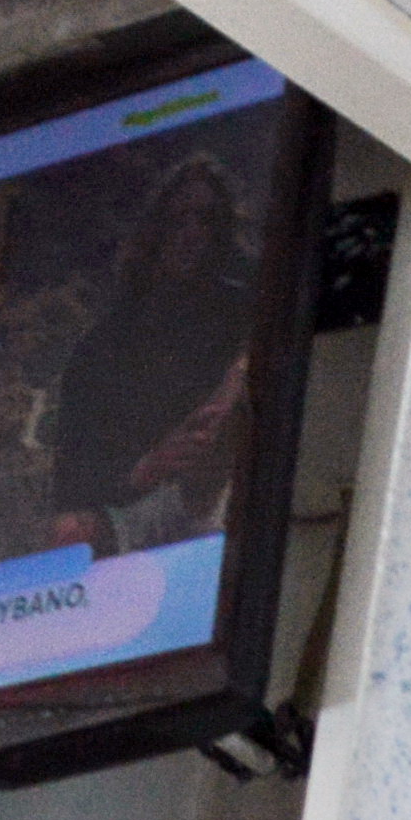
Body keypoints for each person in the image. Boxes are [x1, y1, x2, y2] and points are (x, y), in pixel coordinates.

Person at [42, 158, 257, 559]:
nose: (192, 233)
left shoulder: (246, 310)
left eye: (206, 219)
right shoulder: (104, 344)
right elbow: (74, 482)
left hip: (220, 494)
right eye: (178, 220)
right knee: (69, 532)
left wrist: (231, 388)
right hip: (138, 509)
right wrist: (148, 467)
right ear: (156, 231)